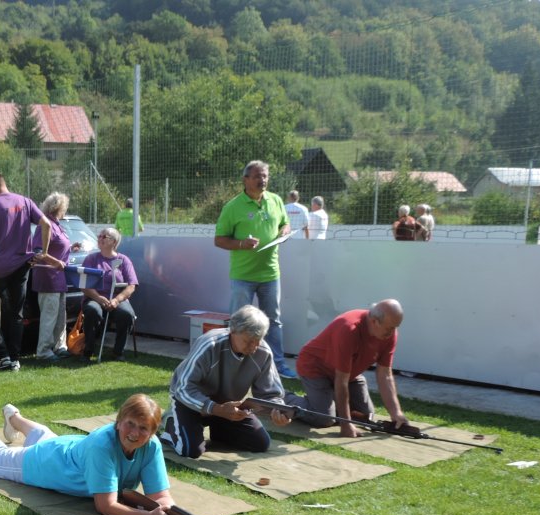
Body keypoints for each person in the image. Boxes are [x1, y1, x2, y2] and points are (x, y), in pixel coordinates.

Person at [0, 396, 182, 515]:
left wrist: (169, 512)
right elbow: (106, 505)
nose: (135, 433)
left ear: (152, 433)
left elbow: (160, 495)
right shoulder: (102, 446)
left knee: (46, 439)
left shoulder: (152, 446)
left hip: (67, 448)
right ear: (118, 422)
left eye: (143, 428)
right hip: (46, 463)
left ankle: (14, 418)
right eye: (130, 424)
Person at [161, 305, 290, 456]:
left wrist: (278, 410)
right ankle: (172, 424)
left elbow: (271, 394)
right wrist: (215, 408)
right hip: (190, 403)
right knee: (191, 450)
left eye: (258, 340)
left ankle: (219, 430)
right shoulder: (209, 345)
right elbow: (182, 388)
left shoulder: (263, 353)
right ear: (233, 331)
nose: (254, 346)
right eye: (248, 341)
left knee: (260, 442)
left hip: (228, 407)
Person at [214, 161, 296, 379]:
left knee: (273, 320)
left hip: (270, 274)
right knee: (239, 322)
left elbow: (285, 223)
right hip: (243, 275)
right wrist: (242, 244)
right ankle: (233, 363)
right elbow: (219, 240)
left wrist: (284, 231)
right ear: (246, 179)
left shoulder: (275, 200)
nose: (263, 180)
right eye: (258, 176)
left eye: (265, 176)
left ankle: (277, 365)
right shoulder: (233, 207)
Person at [283, 299, 409, 438]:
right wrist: (346, 424)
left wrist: (396, 412)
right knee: (324, 419)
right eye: (389, 328)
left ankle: (325, 403)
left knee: (364, 416)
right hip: (315, 368)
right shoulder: (349, 328)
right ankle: (283, 398)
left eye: (395, 327)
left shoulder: (389, 334)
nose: (392, 333)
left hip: (348, 373)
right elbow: (341, 381)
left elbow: (385, 374)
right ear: (374, 321)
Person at [0, 171, 51, 372]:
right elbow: (46, 224)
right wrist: (43, 252)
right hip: (22, 265)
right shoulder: (25, 201)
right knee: (16, 313)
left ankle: (3, 355)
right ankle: (15, 358)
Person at [81, 227, 138, 361]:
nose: (100, 238)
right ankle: (88, 350)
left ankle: (118, 352)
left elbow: (132, 285)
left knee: (127, 314)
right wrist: (98, 298)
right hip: (94, 298)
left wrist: (117, 300)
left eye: (104, 237)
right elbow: (83, 285)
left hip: (117, 299)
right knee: (92, 310)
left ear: (114, 242)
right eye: (99, 236)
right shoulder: (91, 259)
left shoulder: (123, 260)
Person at [29, 192, 73, 361]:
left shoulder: (57, 224)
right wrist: (56, 262)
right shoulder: (45, 224)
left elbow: (58, 245)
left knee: (60, 316)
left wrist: (71, 248)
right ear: (59, 207)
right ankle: (43, 351)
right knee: (49, 315)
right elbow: (38, 252)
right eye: (65, 207)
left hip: (59, 278)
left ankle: (59, 346)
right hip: (48, 277)